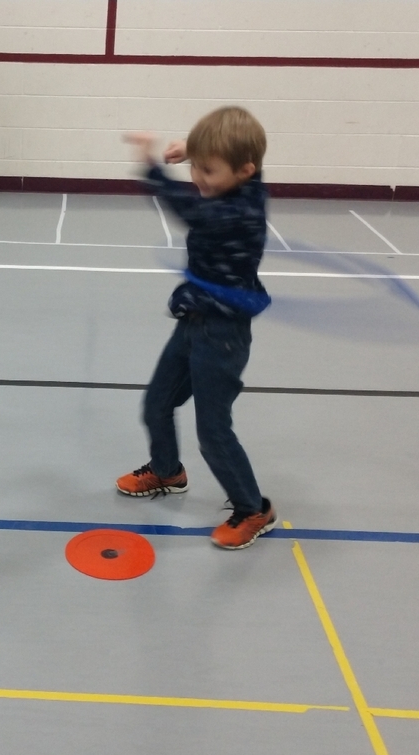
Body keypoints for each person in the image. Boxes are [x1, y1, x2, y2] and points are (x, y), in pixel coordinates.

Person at [118, 106, 276, 550]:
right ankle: (167, 471)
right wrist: (195, 147)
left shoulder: (239, 212)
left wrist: (152, 167)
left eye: (208, 170)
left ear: (245, 171)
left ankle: (253, 509)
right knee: (155, 404)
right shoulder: (245, 177)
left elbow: (188, 209)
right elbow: (226, 165)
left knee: (213, 429)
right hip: (194, 318)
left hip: (223, 334)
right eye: (196, 168)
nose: (200, 178)